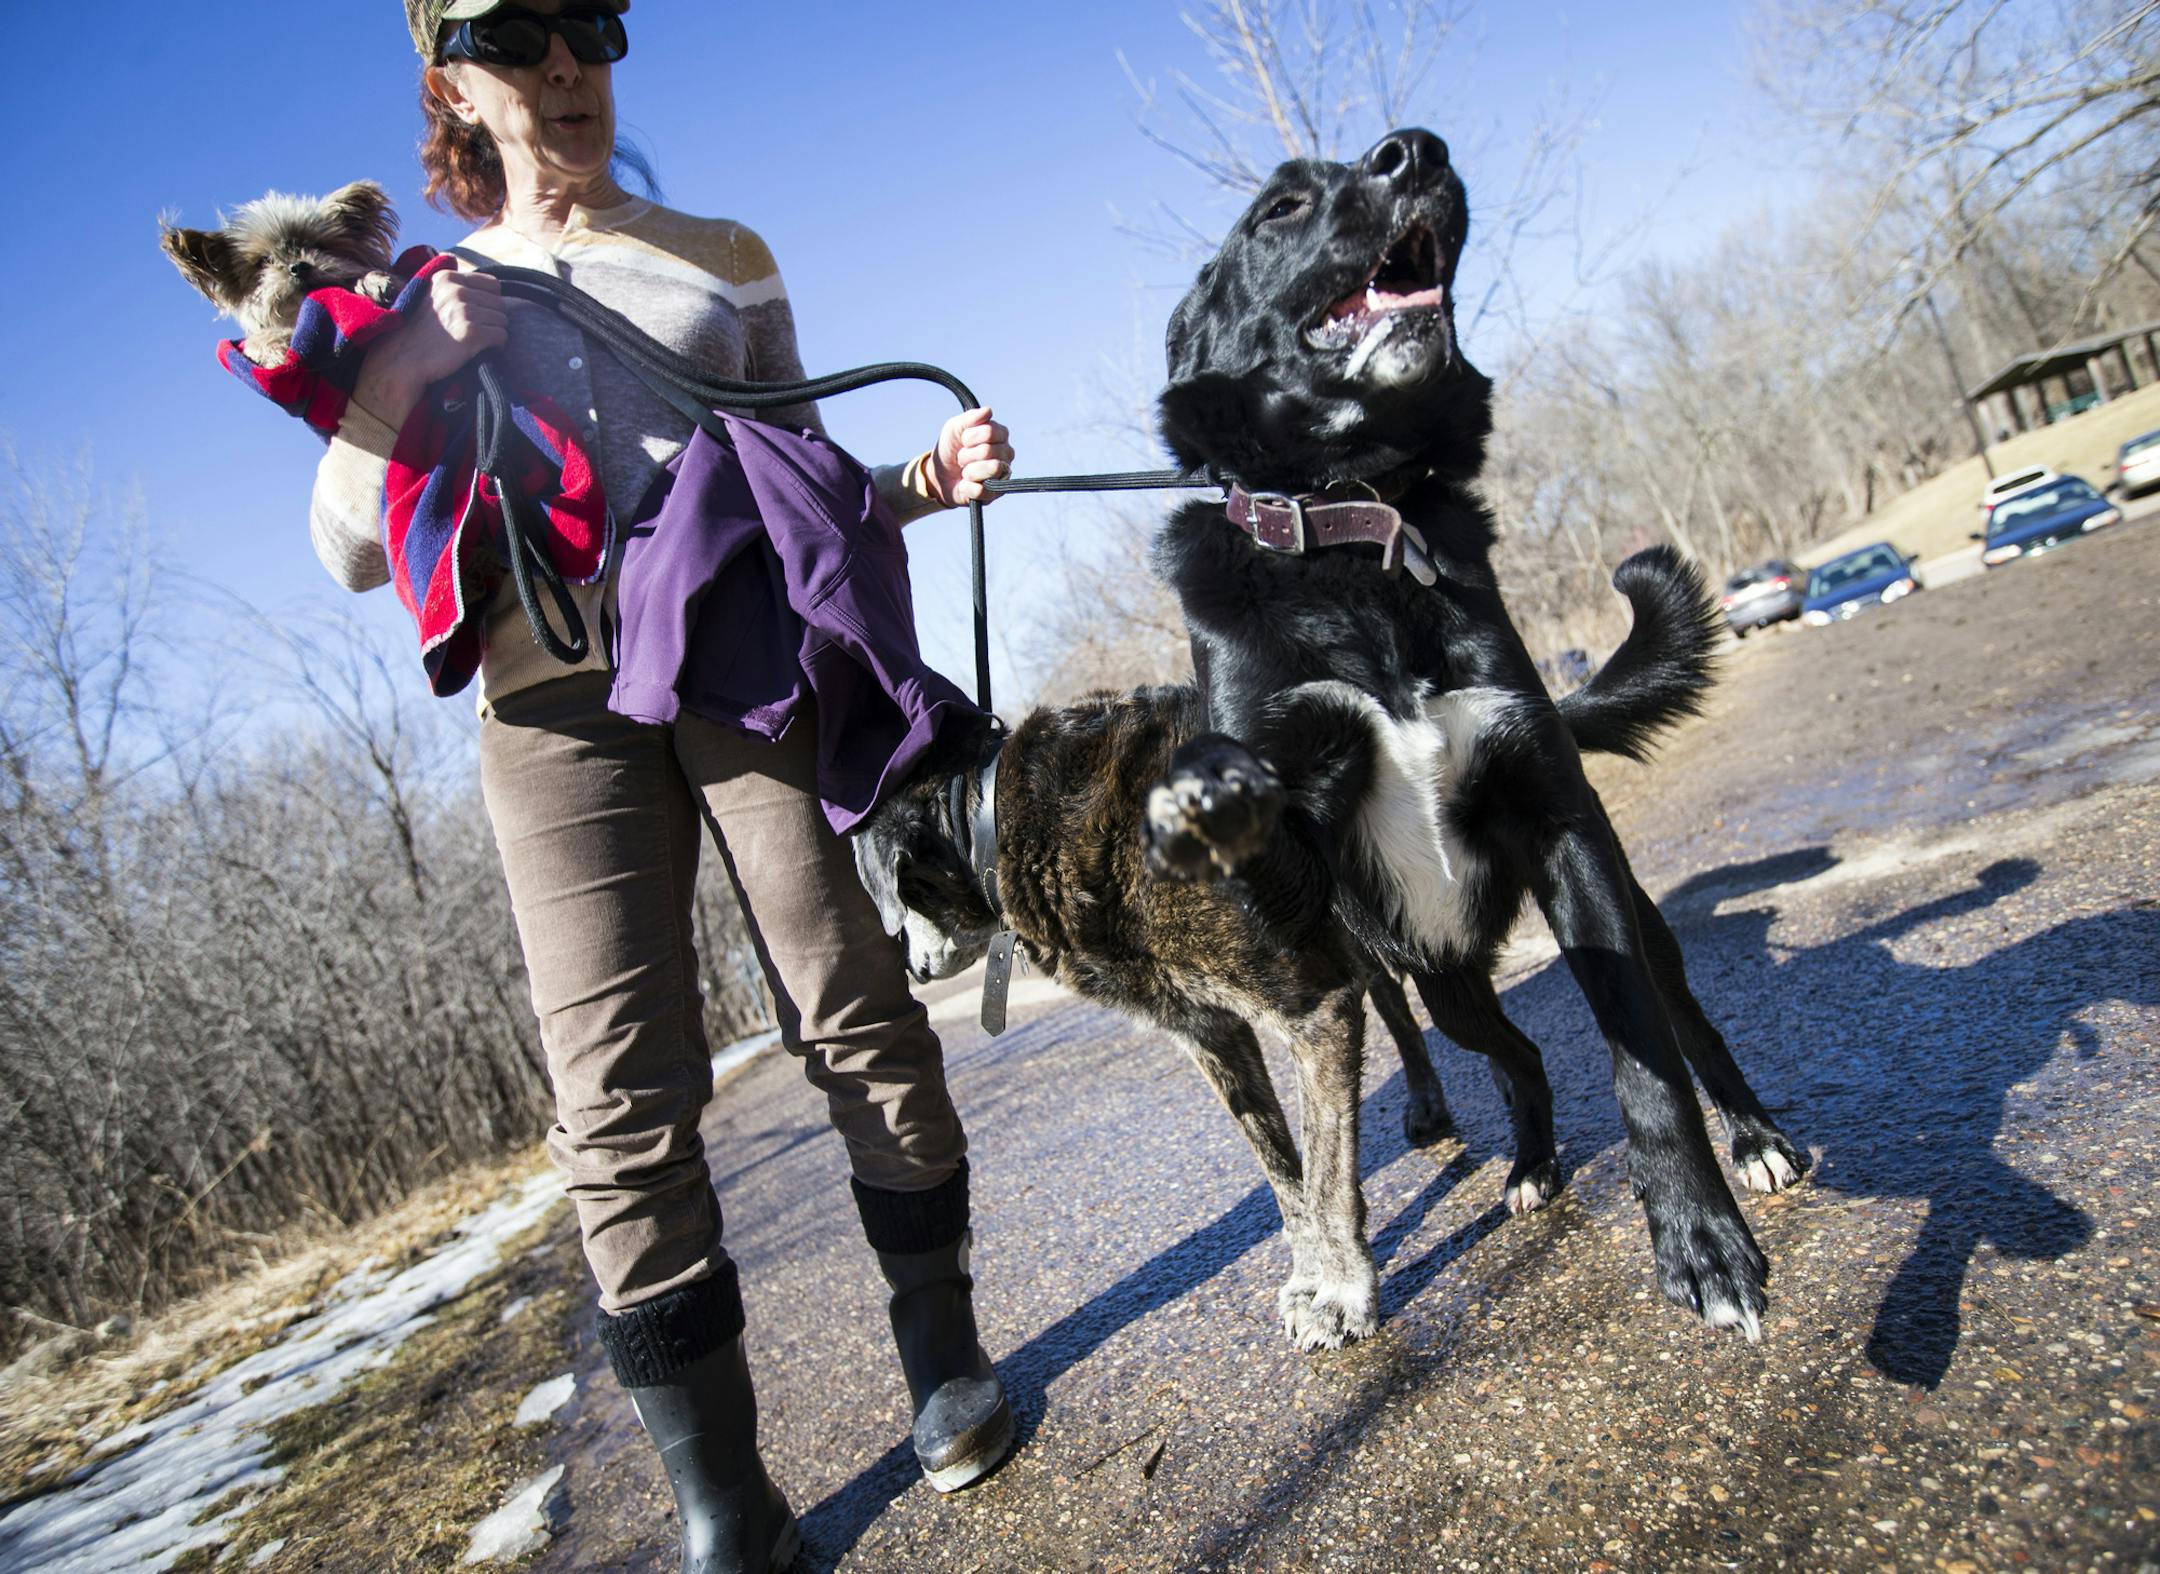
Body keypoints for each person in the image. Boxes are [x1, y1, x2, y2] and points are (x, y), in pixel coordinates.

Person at [309, 4, 1018, 1567]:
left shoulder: (719, 251)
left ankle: (945, 1359)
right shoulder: (408, 296)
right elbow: (352, 547)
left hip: (739, 659)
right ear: (453, 81)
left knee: (851, 994)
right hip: (547, 707)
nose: (564, 63)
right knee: (616, 1101)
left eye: (589, 25)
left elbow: (807, 479)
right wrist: (407, 367)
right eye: (515, 32)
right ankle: (725, 1503)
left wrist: (928, 480)